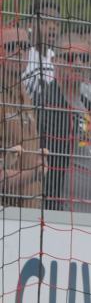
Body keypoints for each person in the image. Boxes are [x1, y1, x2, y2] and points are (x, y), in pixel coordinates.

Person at [37, 32, 91, 212]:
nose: (79, 63)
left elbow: (89, 150)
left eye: (85, 57)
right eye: (71, 57)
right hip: (61, 214)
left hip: (90, 214)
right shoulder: (47, 104)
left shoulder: (88, 106)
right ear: (55, 60)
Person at [0, 24, 48, 207]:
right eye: (12, 46)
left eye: (25, 47)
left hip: (31, 211)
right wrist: (33, 173)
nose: (20, 52)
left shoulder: (25, 95)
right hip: (7, 216)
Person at [22, 0, 60, 95]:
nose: (52, 27)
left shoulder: (57, 57)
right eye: (45, 22)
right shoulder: (24, 55)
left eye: (57, 23)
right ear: (30, 25)